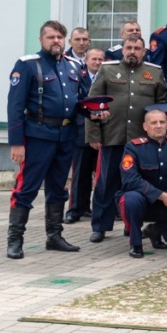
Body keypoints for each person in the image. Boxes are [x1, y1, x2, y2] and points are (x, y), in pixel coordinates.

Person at [5, 20, 87, 258]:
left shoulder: (73, 66)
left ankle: (54, 236)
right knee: (26, 188)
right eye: (51, 37)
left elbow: (80, 101)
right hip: (37, 136)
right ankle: (15, 240)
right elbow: (15, 106)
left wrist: (94, 112)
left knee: (59, 188)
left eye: (60, 37)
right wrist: (16, 142)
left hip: (66, 135)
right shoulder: (28, 65)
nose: (56, 41)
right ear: (41, 39)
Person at [86, 35, 167, 243]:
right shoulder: (107, 69)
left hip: (142, 142)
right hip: (112, 136)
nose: (132, 51)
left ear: (144, 51)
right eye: (129, 47)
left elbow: (163, 106)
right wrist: (94, 134)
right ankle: (100, 226)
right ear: (123, 50)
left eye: (137, 48)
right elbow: (93, 104)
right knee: (106, 183)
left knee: (139, 185)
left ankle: (133, 224)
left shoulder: (155, 72)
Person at [117, 106, 167, 258]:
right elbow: (130, 180)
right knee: (131, 199)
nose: (158, 126)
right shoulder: (133, 147)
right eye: (153, 123)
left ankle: (157, 231)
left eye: (162, 122)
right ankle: (136, 243)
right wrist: (161, 195)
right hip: (144, 202)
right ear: (145, 126)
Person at [66, 46, 105, 224]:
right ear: (86, 61)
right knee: (80, 173)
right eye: (94, 59)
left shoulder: (109, 77)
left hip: (105, 131)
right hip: (81, 131)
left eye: (100, 59)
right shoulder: (78, 78)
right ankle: (75, 209)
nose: (97, 62)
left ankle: (95, 208)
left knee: (102, 174)